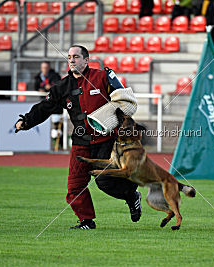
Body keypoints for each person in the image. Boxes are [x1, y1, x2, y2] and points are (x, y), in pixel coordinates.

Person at [15, 45, 142, 230]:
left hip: (105, 141)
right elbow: (44, 108)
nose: (72, 60)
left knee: (104, 181)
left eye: (76, 56)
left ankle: (132, 196)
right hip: (81, 143)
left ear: (86, 60)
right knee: (74, 186)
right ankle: (87, 221)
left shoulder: (103, 77)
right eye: (69, 57)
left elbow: (125, 101)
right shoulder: (61, 86)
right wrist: (26, 121)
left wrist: (124, 123)